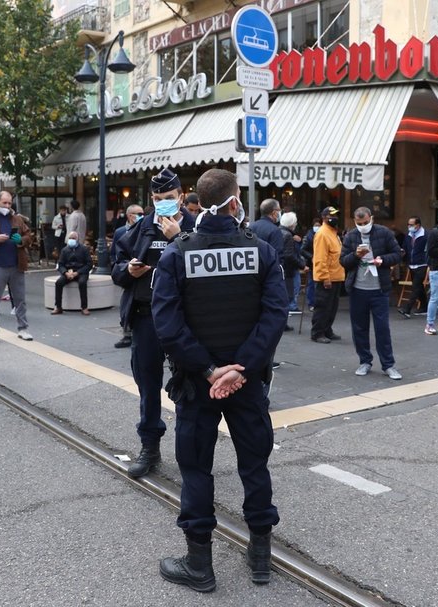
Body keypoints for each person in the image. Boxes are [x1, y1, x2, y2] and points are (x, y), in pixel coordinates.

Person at [152, 168, 287, 592]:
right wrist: (240, 367)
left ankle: (199, 565)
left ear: (195, 201)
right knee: (254, 464)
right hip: (247, 383)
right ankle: (260, 557)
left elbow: (167, 324)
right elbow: (274, 316)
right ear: (234, 202)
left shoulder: (176, 254)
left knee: (196, 469)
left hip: (197, 384)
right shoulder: (261, 251)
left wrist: (210, 370)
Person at [111, 168, 193, 479]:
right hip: (146, 318)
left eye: (170, 199)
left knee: (189, 387)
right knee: (147, 387)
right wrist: (127, 271)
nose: (165, 206)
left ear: (181, 197)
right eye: (158, 200)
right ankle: (150, 446)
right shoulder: (136, 230)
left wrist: (179, 238)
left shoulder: (197, 228)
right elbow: (116, 267)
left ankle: (190, 451)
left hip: (185, 320)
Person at [340, 207, 403, 379]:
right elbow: (343, 261)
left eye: (366, 222)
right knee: (359, 328)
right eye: (359, 223)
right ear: (354, 221)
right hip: (358, 289)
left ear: (372, 219)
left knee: (382, 328)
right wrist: (356, 255)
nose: (363, 226)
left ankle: (388, 365)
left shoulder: (384, 233)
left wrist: (383, 260)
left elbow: (397, 254)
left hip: (379, 289)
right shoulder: (351, 236)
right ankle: (365, 361)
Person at [0, 190, 33, 343]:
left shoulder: (17, 219)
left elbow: (29, 236)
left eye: (9, 203)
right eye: (5, 203)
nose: (7, 206)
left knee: (20, 299)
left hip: (16, 264)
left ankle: (23, 328)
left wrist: (21, 240)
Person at [109, 203, 145, 348]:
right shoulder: (120, 231)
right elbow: (114, 252)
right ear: (130, 215)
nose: (142, 216)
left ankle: (133, 333)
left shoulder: (144, 229)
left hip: (139, 269)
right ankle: (126, 333)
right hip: (125, 270)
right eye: (139, 214)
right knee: (126, 301)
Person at [310, 206, 345, 343]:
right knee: (323, 307)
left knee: (332, 307)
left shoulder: (332, 232)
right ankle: (317, 333)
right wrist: (325, 277)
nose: (335, 218)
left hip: (336, 275)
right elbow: (320, 258)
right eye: (332, 216)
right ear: (324, 218)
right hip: (327, 277)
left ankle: (327, 329)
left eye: (336, 215)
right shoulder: (323, 233)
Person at [51, 231, 92, 315]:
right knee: (58, 283)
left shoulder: (84, 249)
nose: (71, 240)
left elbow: (89, 264)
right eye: (70, 238)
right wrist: (65, 273)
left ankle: (84, 307)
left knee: (82, 283)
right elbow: (60, 264)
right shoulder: (65, 250)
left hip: (81, 272)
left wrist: (77, 273)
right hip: (68, 272)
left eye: (73, 238)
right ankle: (58, 307)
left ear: (77, 239)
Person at [278, 211, 304, 330]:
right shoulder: (288, 235)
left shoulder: (278, 231)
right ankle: (283, 323)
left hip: (280, 268)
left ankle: (282, 323)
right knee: (287, 296)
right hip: (287, 270)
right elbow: (289, 255)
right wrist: (302, 265)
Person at [398, 216, 428, 317]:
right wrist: (402, 253)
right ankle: (425, 306)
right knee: (419, 286)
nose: (409, 226)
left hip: (422, 264)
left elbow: (428, 249)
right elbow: (405, 247)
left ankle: (407, 309)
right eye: (408, 224)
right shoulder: (408, 235)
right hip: (411, 264)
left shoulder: (426, 235)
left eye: (411, 225)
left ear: (418, 225)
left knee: (415, 286)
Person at [300, 219, 321, 310]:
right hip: (312, 263)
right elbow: (302, 250)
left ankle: (317, 303)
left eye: (319, 225)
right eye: (316, 225)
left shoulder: (322, 234)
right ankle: (311, 303)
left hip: (320, 262)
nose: (317, 227)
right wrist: (311, 257)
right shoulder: (309, 236)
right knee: (311, 284)